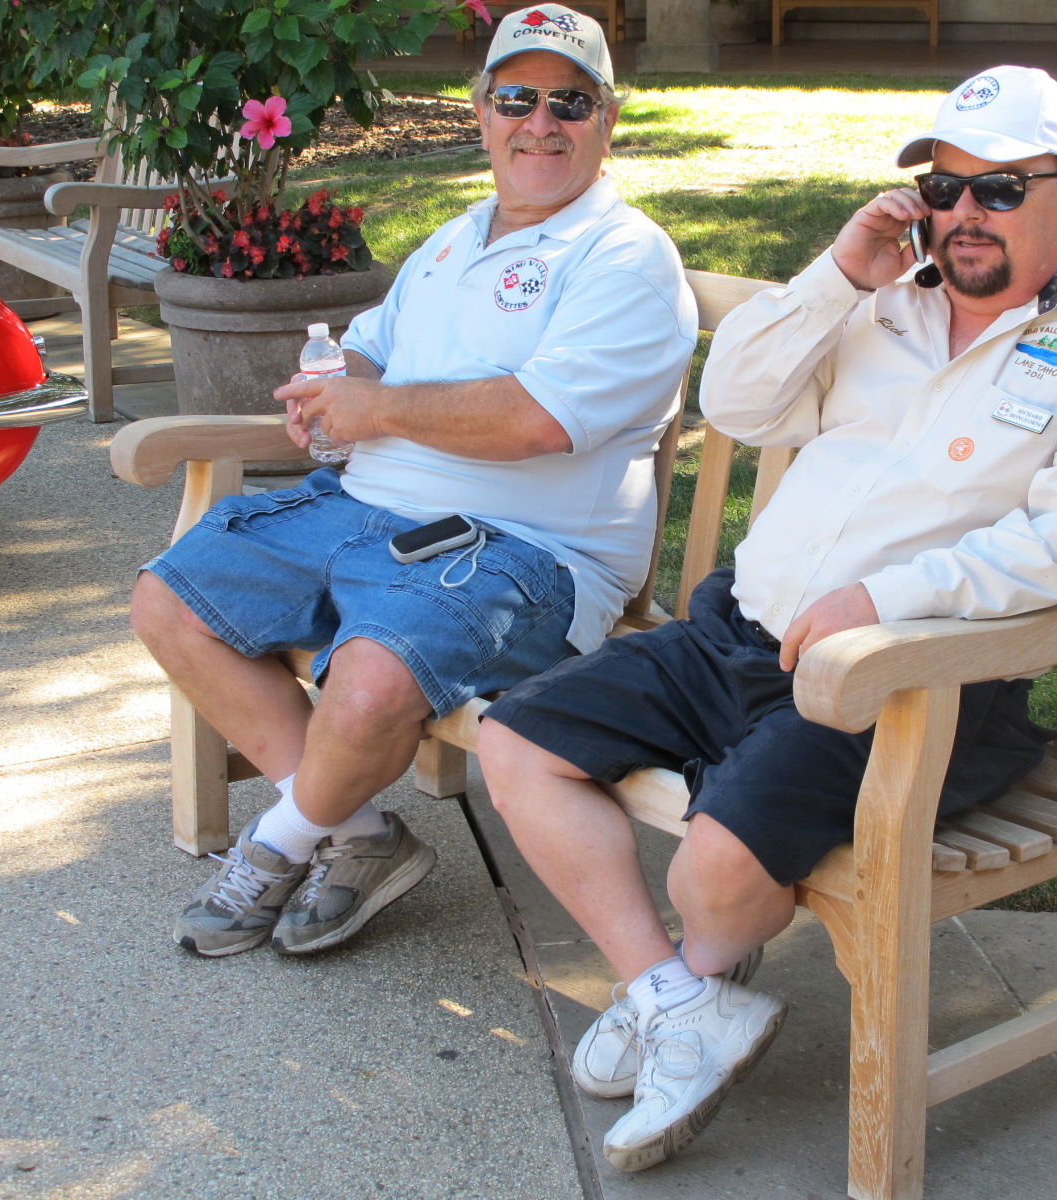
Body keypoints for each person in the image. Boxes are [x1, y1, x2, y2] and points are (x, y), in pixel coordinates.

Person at [476, 65, 1057, 1173]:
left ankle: (693, 972)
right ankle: (680, 998)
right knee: (513, 739)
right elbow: (739, 406)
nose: (961, 215)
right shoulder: (880, 302)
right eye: (941, 189)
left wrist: (879, 604)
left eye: (999, 190)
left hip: (911, 686)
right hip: (734, 634)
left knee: (707, 876)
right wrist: (835, 276)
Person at [131, 4, 698, 959]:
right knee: (169, 601)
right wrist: (333, 389)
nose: (540, 122)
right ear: (481, 111)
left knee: (371, 676)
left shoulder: (624, 257)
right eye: (516, 97)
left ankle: (279, 843)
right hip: (368, 513)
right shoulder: (453, 239)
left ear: (606, 122)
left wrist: (384, 411)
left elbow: (538, 420)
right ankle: (354, 835)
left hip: (522, 554)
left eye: (570, 102)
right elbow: (368, 357)